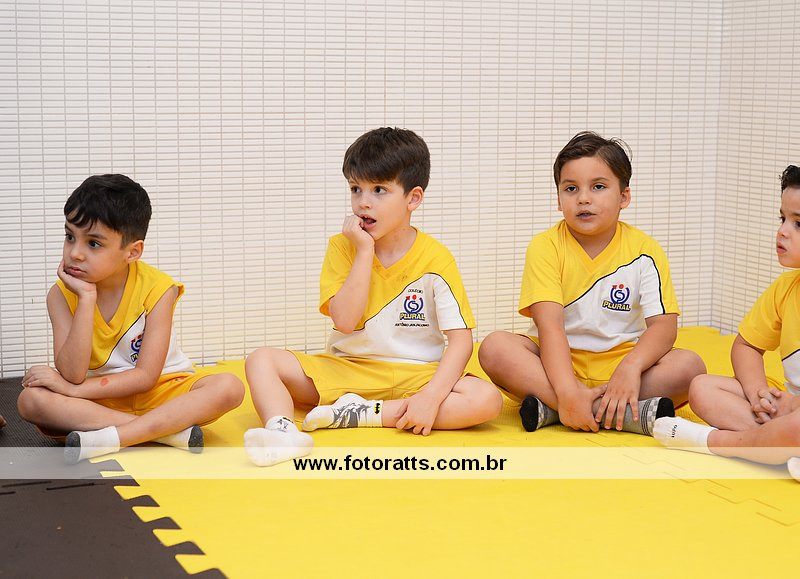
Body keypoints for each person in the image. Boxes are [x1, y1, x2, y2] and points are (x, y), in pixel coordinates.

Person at [244, 127, 503, 466]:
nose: (363, 202)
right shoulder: (343, 247)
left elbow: (461, 341)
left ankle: (363, 413)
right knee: (260, 360)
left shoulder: (437, 258)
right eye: (356, 189)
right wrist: (364, 251)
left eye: (379, 190)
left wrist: (430, 398)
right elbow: (345, 321)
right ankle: (282, 432)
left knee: (486, 400)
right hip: (348, 369)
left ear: (413, 198)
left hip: (417, 375)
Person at [479, 131, 705, 435]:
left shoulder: (645, 250)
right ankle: (603, 409)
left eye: (598, 186)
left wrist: (631, 367)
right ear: (558, 199)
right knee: (494, 348)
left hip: (621, 367)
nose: (583, 198)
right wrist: (566, 389)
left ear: (624, 197)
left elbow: (664, 327)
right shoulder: (545, 246)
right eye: (571, 188)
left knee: (691, 368)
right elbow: (550, 326)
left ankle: (558, 409)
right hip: (554, 367)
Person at [18, 174, 244, 464]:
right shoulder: (60, 295)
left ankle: (115, 436)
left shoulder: (160, 289)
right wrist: (86, 299)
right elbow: (72, 373)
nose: (75, 253)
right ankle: (165, 432)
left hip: (162, 392)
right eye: (70, 236)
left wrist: (73, 390)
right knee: (30, 400)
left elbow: (146, 377)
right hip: (100, 402)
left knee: (229, 386)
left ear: (132, 252)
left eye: (93, 244)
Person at [655, 165, 800, 480]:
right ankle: (780, 446)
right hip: (789, 410)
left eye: (798, 224)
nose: (783, 231)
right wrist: (757, 392)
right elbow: (746, 346)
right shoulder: (786, 289)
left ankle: (715, 442)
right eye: (782, 219)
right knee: (702, 388)